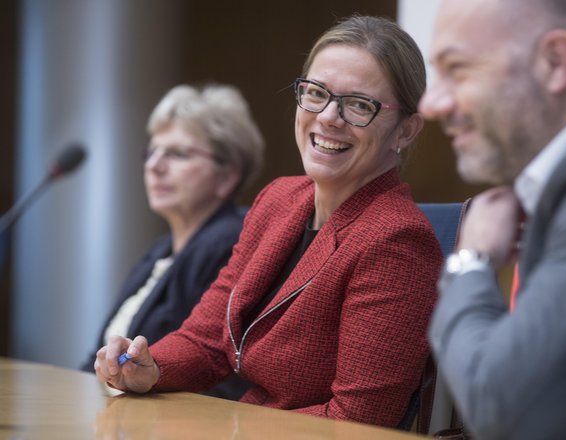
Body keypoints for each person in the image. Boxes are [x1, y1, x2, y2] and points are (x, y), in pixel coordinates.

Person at [94, 15, 442, 428]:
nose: (329, 116)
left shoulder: (396, 240)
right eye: (316, 93)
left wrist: (232, 431)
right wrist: (150, 368)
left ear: (405, 130)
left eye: (359, 104)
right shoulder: (279, 199)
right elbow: (207, 341)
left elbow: (358, 422)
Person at [420, 0, 566, 439]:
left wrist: (470, 262)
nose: (431, 103)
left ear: (555, 61)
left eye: (457, 68)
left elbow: (502, 406)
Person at [82, 84, 264, 400]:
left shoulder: (229, 244)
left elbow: (210, 368)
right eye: (151, 152)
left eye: (177, 154)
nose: (154, 166)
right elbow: (97, 357)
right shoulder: (160, 251)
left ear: (227, 176)